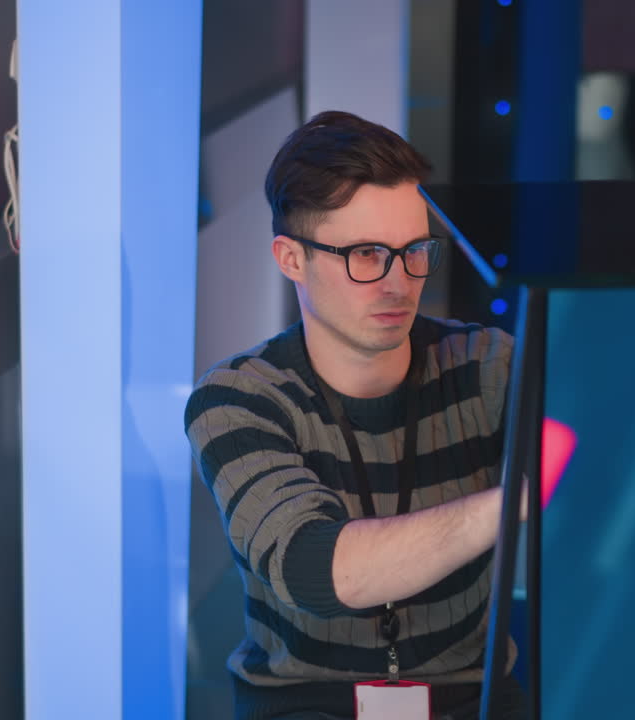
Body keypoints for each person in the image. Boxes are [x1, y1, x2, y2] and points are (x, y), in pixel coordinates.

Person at [185, 110, 524, 720]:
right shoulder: (239, 398)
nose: (398, 282)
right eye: (367, 255)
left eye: (414, 250)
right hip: (304, 703)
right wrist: (509, 504)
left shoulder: (489, 367)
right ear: (291, 258)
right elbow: (320, 572)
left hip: (473, 697)